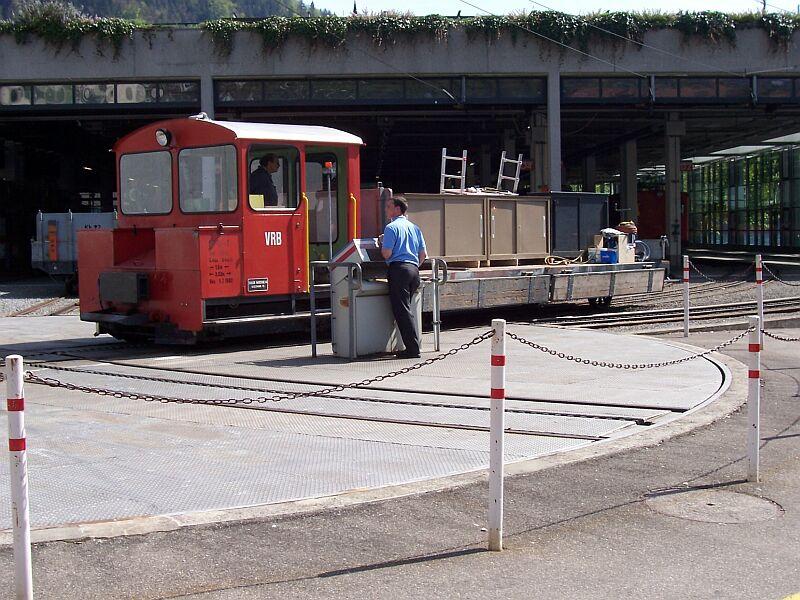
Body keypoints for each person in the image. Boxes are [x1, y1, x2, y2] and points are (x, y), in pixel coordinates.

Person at [380, 195, 427, 359]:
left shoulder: (391, 228)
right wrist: (412, 265)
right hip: (414, 270)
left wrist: (382, 243)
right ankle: (410, 345)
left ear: (397, 209)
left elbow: (387, 253)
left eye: (388, 207)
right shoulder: (414, 228)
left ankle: (412, 350)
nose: (386, 210)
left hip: (399, 270)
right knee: (407, 309)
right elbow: (423, 254)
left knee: (402, 311)